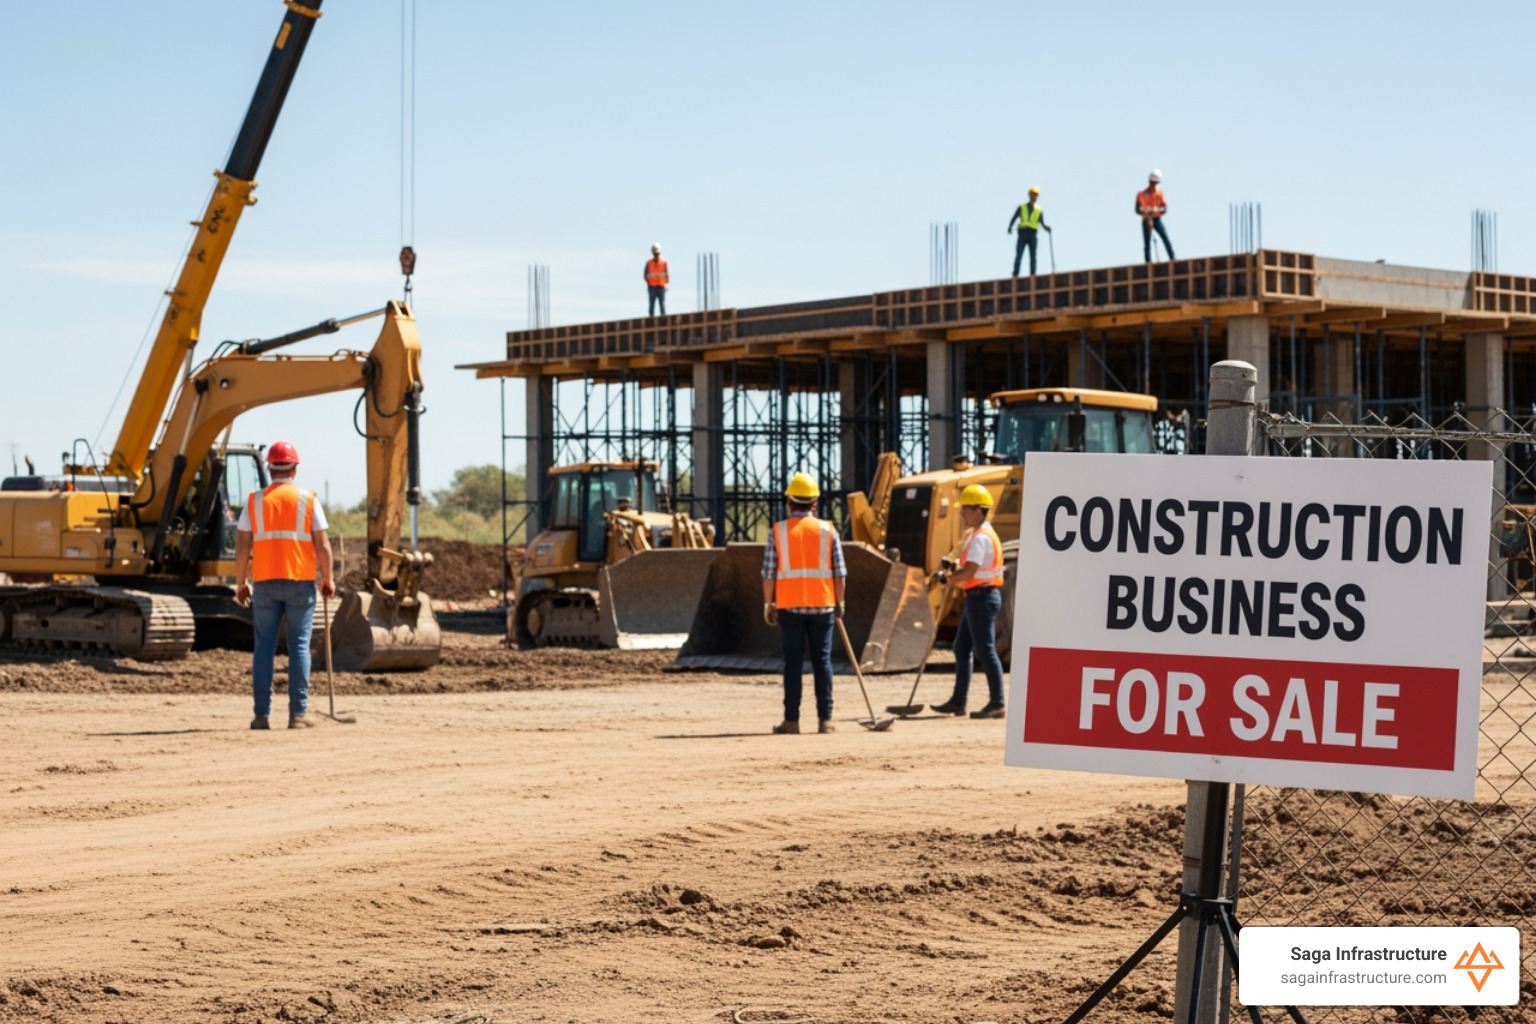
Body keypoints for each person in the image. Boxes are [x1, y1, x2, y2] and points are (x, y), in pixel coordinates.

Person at [233, 441, 335, 730]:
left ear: (269, 467)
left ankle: (261, 716)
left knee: (263, 647)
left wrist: (240, 583)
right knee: (299, 646)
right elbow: (323, 545)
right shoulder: (308, 500)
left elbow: (242, 546)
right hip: (300, 583)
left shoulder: (253, 502)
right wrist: (328, 578)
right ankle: (298, 715)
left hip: (264, 583)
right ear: (294, 467)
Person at [761, 472, 847, 735]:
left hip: (789, 606)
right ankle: (826, 721)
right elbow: (840, 573)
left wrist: (768, 604)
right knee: (823, 661)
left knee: (793, 663)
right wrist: (840, 603)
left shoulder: (778, 532)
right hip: (823, 605)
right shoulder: (828, 531)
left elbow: (768, 573)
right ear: (814, 504)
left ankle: (792, 721)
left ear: (789, 502)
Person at [931, 485, 1007, 719]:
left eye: (966, 509)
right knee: (961, 647)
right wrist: (953, 569)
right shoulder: (978, 535)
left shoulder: (981, 538)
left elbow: (970, 572)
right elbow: (969, 569)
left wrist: (947, 578)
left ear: (978, 510)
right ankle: (958, 701)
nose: (963, 513)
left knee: (985, 650)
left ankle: (997, 702)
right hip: (977, 596)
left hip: (981, 597)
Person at [1007, 186, 1052, 277]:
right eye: (1032, 194)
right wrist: (1010, 227)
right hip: (1023, 233)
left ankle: (1033, 274)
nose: (1034, 196)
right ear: (1029, 195)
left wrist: (1046, 228)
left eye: (1035, 195)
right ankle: (1015, 273)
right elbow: (1014, 217)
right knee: (1019, 253)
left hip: (1033, 233)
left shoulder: (1038, 210)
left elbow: (1041, 223)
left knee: (1033, 255)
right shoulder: (1022, 207)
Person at [1136, 170, 1175, 263]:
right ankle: (1148, 262)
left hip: (1157, 219)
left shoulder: (1159, 194)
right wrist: (1146, 211)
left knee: (1165, 238)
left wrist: (1154, 210)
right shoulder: (1141, 194)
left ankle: (1172, 258)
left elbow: (1164, 208)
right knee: (1147, 242)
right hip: (1146, 220)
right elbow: (1137, 209)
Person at [644, 243, 669, 316]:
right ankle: (651, 319)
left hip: (661, 286)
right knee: (651, 305)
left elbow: (667, 274)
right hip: (652, 287)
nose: (656, 255)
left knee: (662, 305)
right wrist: (649, 284)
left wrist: (667, 283)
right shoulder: (649, 263)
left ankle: (663, 319)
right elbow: (645, 275)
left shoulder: (664, 262)